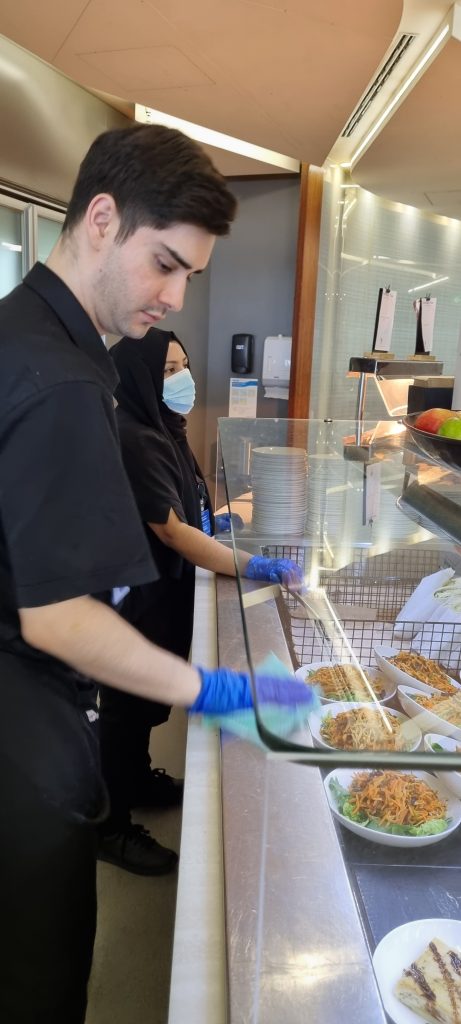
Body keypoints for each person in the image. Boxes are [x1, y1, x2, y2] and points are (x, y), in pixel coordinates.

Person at [0, 122, 314, 1024]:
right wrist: (215, 691)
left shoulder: (20, 332)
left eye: (189, 277)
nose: (173, 298)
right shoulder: (62, 379)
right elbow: (58, 616)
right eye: (164, 265)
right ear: (101, 219)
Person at [98, 328, 305, 875]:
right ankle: (110, 827)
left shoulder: (163, 427)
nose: (182, 378)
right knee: (124, 710)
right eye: (168, 370)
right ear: (139, 376)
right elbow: (170, 529)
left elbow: (183, 502)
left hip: (159, 592)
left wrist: (214, 522)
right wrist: (249, 563)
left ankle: (136, 781)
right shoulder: (134, 436)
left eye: (183, 365)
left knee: (142, 706)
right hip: (135, 597)